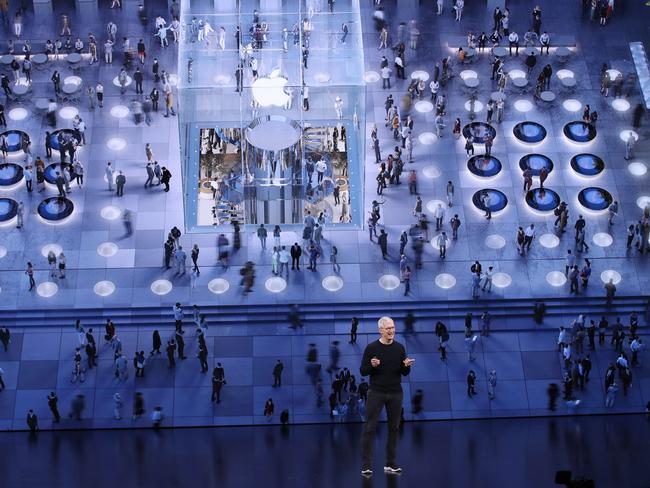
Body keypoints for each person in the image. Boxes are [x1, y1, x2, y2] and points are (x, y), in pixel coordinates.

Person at [360, 317, 414, 476]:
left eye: (393, 328)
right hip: (376, 392)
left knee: (394, 428)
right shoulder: (371, 348)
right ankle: (366, 465)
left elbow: (404, 373)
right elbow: (363, 371)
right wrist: (372, 365)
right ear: (380, 330)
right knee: (369, 428)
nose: (391, 331)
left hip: (396, 392)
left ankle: (390, 463)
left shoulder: (399, 348)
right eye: (388, 328)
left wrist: (406, 366)